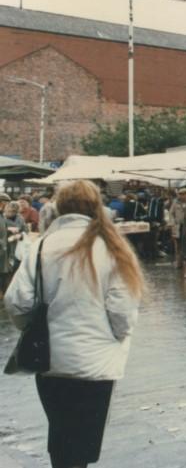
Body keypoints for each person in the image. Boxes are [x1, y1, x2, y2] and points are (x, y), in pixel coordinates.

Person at [4, 180, 143, 468]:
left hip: (51, 358)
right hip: (97, 361)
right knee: (85, 440)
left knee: (61, 435)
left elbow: (17, 301)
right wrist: (117, 335)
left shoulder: (41, 245)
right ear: (96, 206)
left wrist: (32, 327)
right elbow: (122, 308)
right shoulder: (111, 246)